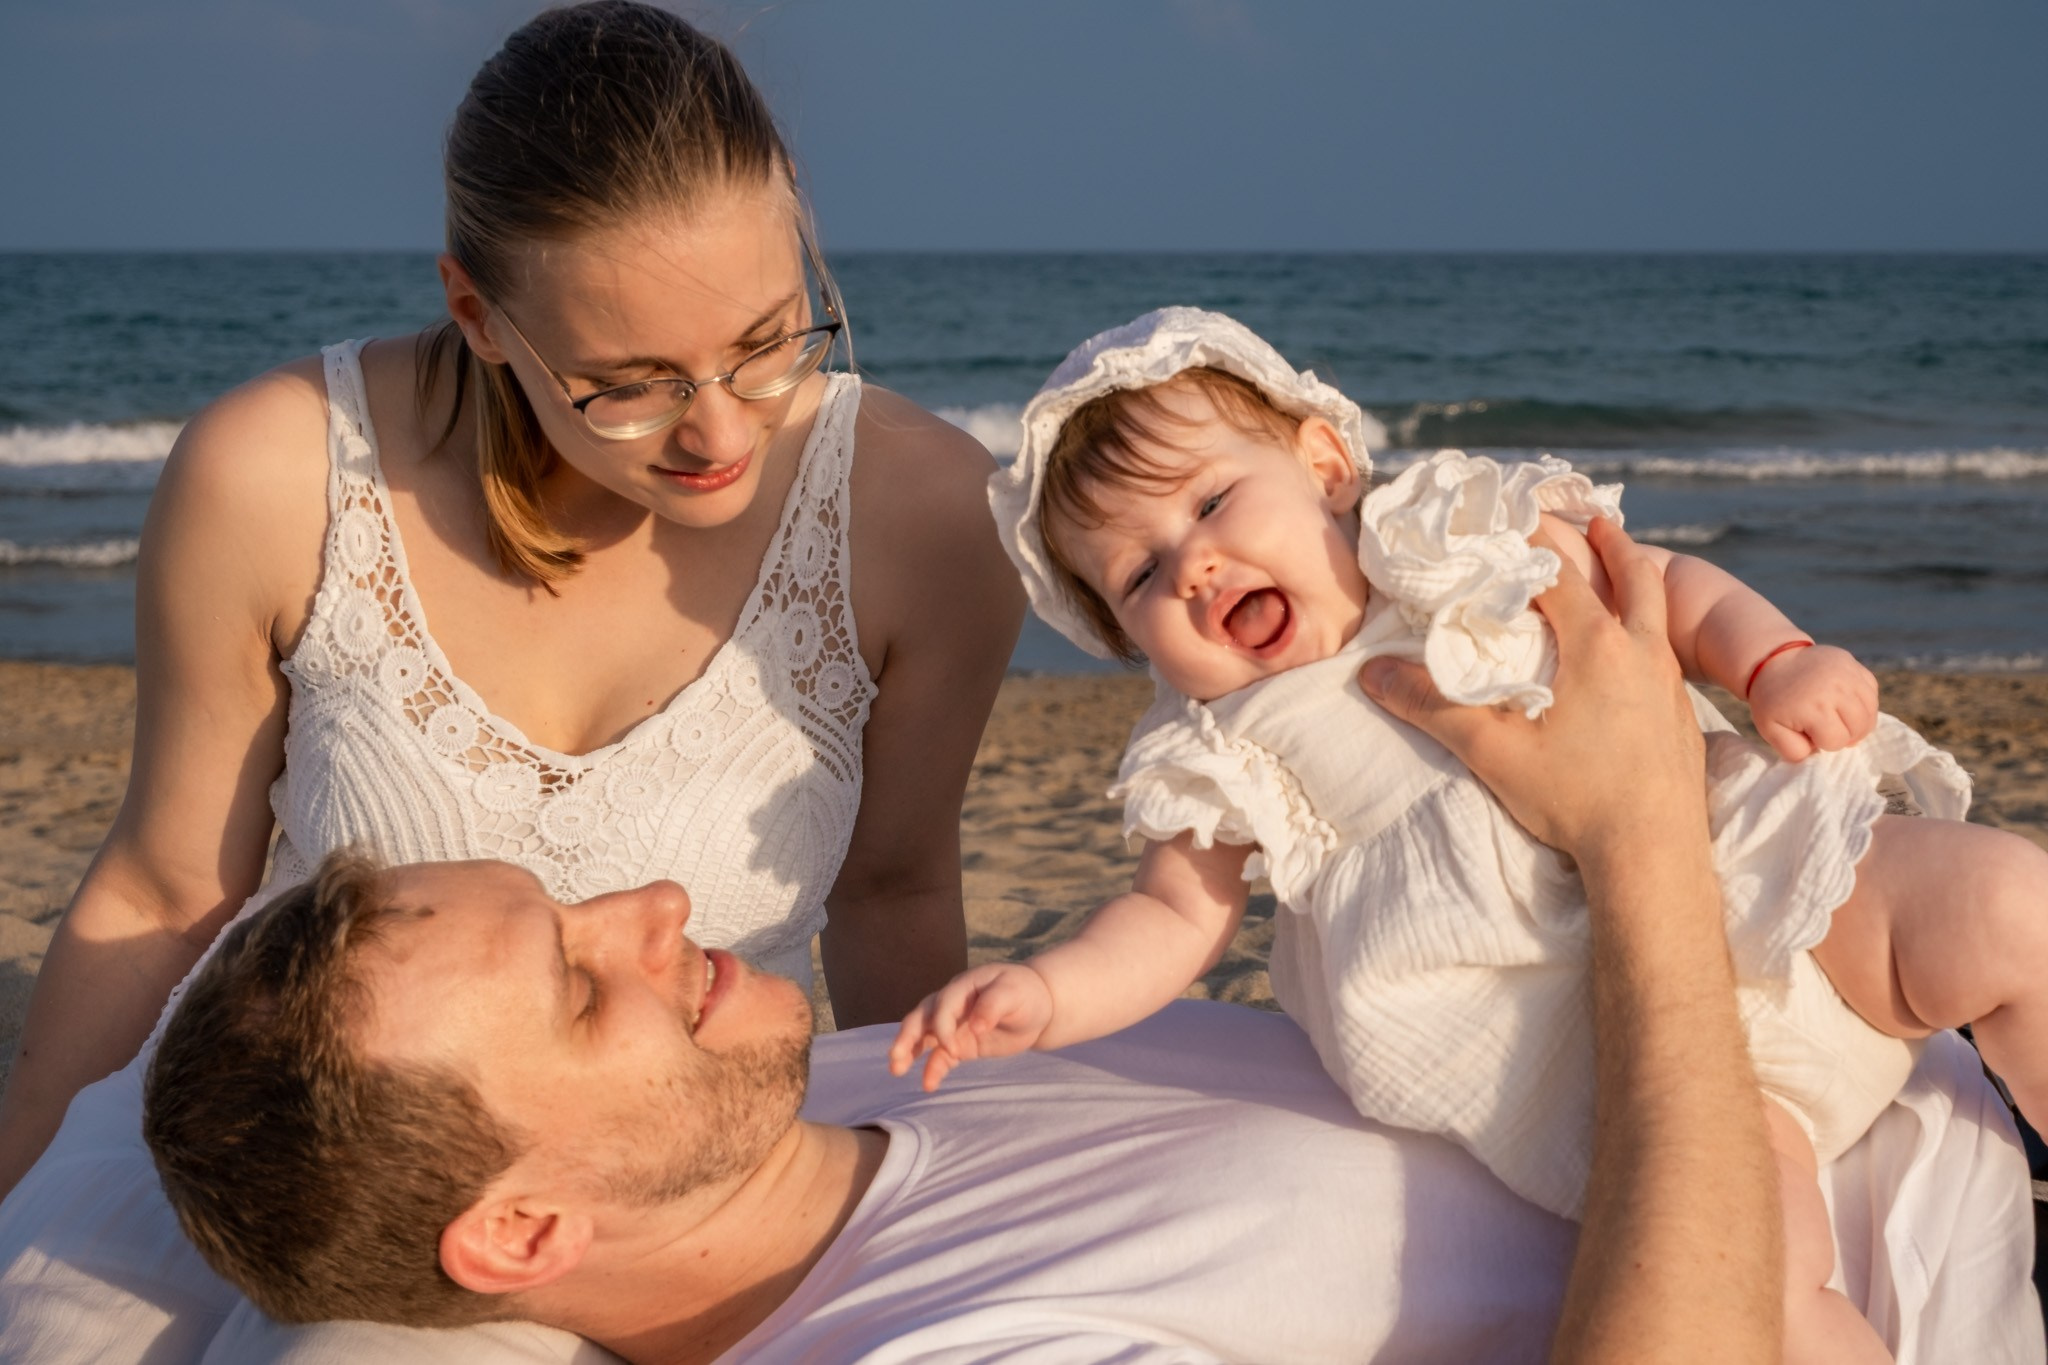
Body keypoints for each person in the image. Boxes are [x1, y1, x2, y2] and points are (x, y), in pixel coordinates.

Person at [124, 522, 1993, 1365]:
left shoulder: (834, 1080)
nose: (659, 908)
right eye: (577, 980)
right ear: (524, 1235)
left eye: (574, 897)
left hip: (1909, 1056)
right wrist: (1642, 836)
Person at [0, 0, 1021, 1344]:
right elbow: (168, 885)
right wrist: (20, 1198)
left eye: (775, 337)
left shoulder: (924, 512)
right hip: (252, 1160)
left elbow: (896, 892)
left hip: (633, 1212)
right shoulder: (278, 473)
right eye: (631, 379)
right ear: (476, 312)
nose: (721, 427)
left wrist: (925, 1213)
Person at [894, 308, 2048, 1362]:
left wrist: (1772, 657)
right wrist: (1048, 995)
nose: (1192, 564)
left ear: (1323, 464)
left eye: (1207, 503)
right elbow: (1169, 918)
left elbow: (1652, 585)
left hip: (1763, 876)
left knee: (2008, 903)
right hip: (1622, 1059)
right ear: (1124, 638)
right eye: (1140, 573)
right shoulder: (1221, 746)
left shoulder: (1448, 539)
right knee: (1764, 1286)